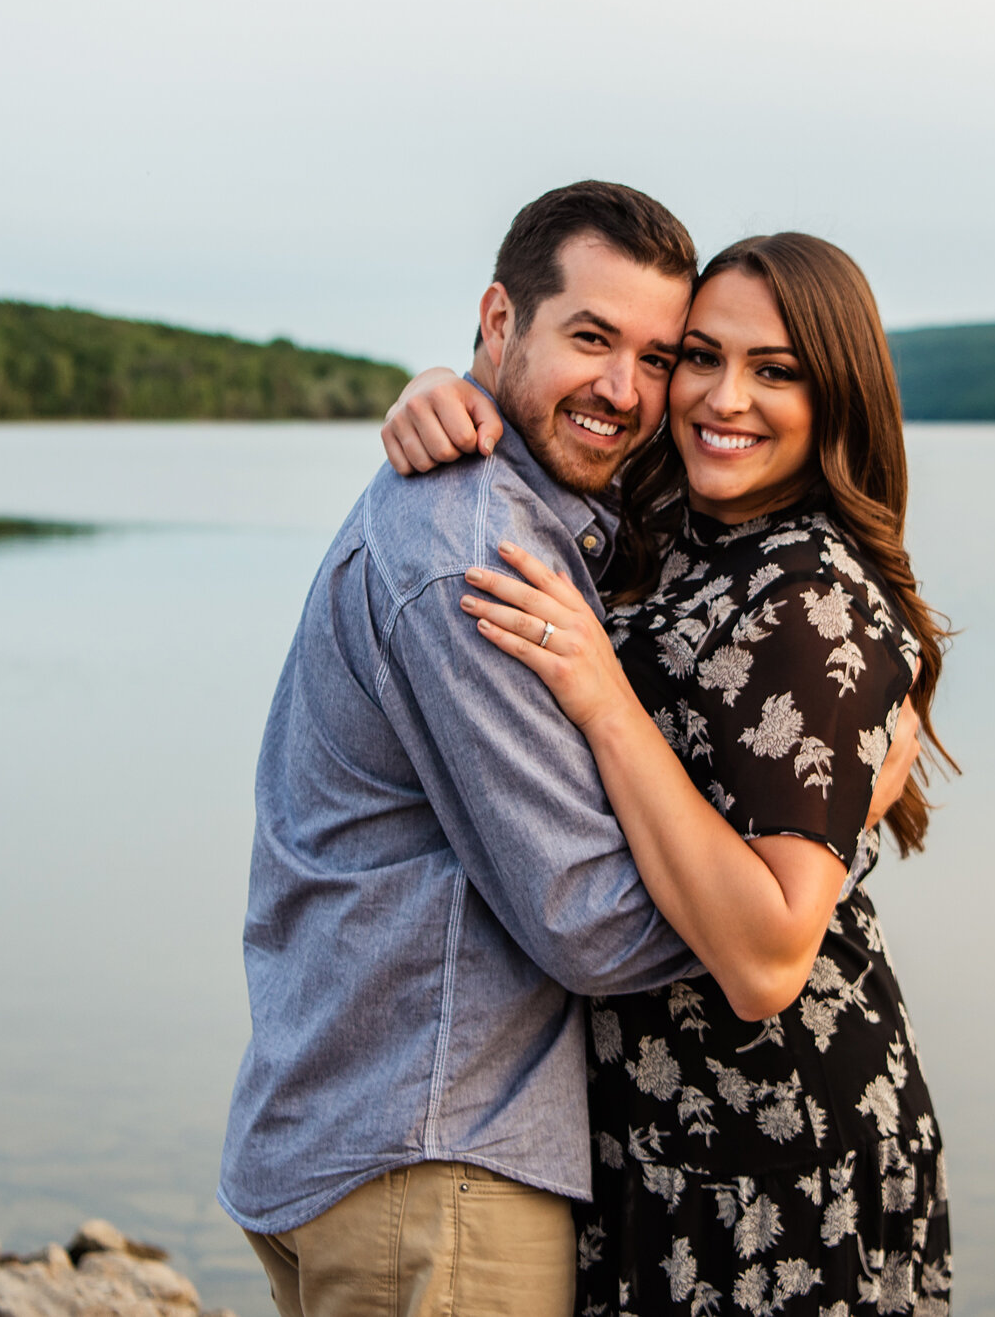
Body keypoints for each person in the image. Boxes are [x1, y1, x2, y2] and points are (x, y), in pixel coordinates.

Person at [383, 232, 954, 1315]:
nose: (722, 397)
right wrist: (440, 391)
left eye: (774, 370)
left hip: (773, 1147)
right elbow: (549, 410)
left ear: (835, 395)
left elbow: (767, 959)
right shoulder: (672, 522)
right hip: (651, 1132)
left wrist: (603, 698)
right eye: (698, 356)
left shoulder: (808, 601)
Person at [217, 181, 713, 1317]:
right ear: (499, 319)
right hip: (434, 1164)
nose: (624, 390)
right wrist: (787, 902)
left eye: (655, 354)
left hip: (369, 1132)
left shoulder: (508, 505)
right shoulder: (474, 555)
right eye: (590, 337)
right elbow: (585, 914)